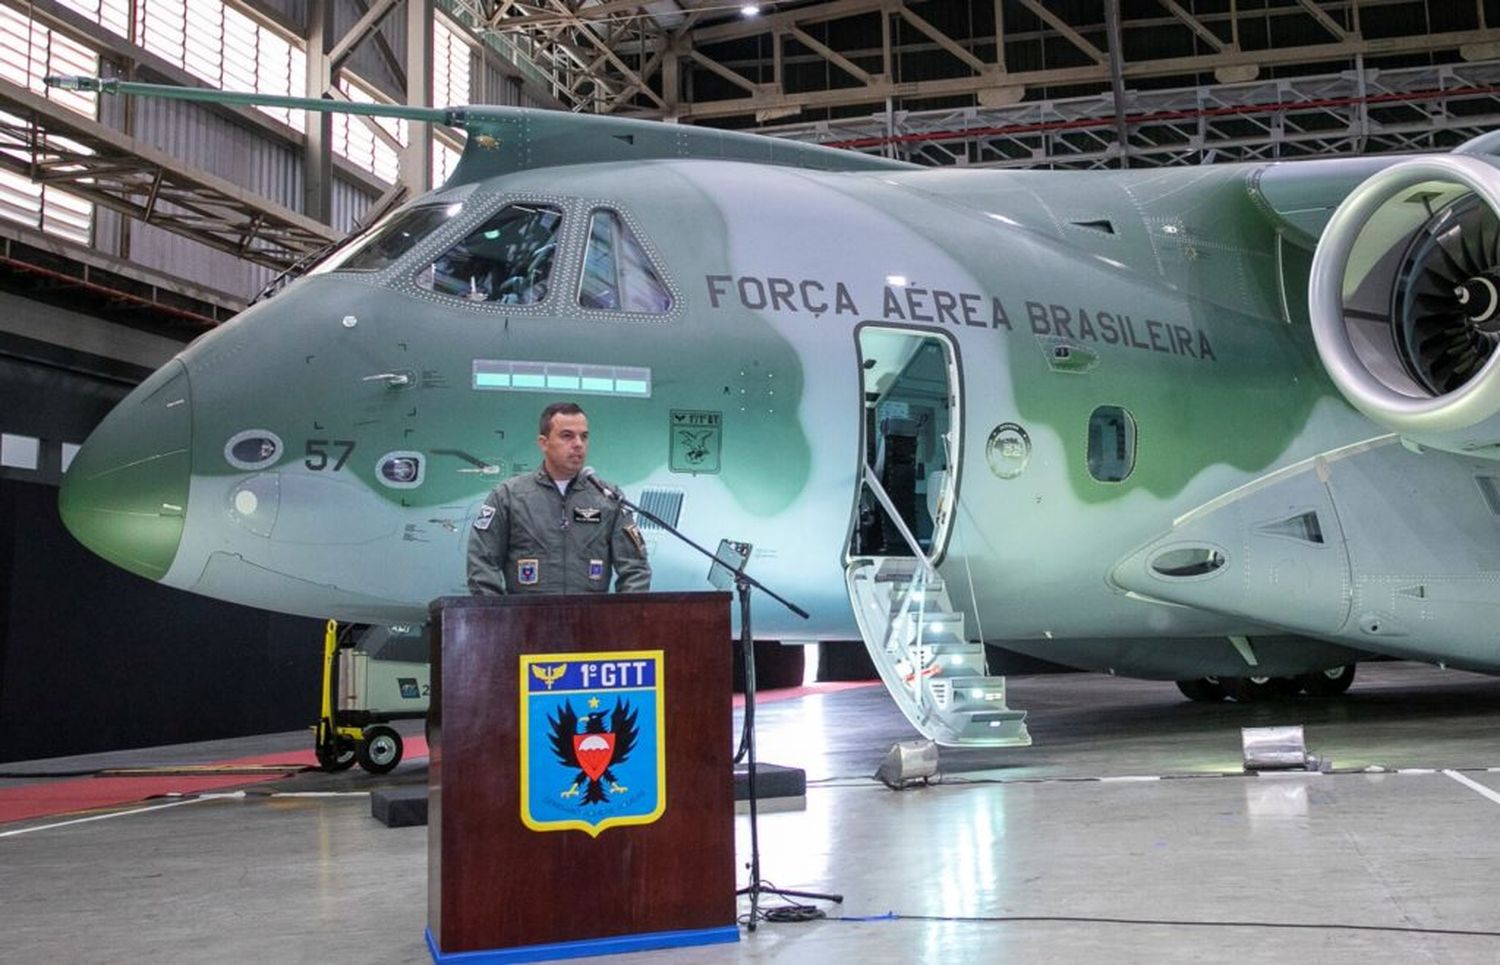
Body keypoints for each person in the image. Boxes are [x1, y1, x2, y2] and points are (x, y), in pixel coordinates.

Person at [467, 401, 651, 595]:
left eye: (584, 436)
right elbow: (482, 563)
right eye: (567, 436)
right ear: (543, 443)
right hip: (525, 622)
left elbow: (635, 569)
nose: (578, 444)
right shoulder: (509, 496)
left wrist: (623, 619)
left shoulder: (607, 497)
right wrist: (497, 619)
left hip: (591, 622)